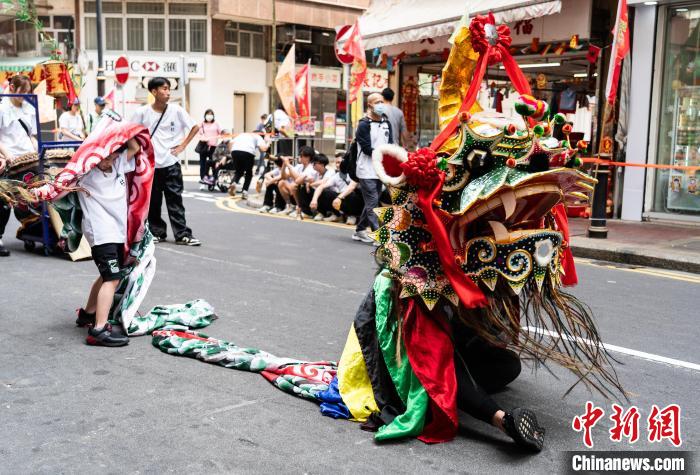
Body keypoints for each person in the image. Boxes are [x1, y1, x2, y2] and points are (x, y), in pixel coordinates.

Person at [74, 139, 141, 347]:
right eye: (105, 157)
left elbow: (135, 148)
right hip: (101, 233)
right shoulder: (85, 171)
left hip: (117, 232)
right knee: (112, 278)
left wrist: (120, 130)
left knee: (107, 276)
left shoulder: (118, 163)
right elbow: (66, 178)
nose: (109, 161)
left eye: (112, 156)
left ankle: (88, 314)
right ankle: (99, 329)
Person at [131, 77, 201, 245]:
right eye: (164, 89)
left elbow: (195, 126)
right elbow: (130, 133)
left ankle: (182, 234)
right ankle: (157, 232)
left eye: (169, 89)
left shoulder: (176, 110)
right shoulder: (142, 112)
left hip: (171, 163)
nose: (168, 92)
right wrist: (139, 151)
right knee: (153, 202)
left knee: (175, 200)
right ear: (154, 92)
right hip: (151, 164)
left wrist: (182, 146)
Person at [0, 75, 38, 257]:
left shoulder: (29, 109)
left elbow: (31, 135)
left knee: (37, 197)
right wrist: (7, 156)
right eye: (21, 91)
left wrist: (38, 151)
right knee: (5, 201)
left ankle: (32, 229)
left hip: (29, 159)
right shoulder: (2, 108)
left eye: (27, 92)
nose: (24, 95)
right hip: (8, 160)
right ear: (12, 88)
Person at [353, 92, 392, 243]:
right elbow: (367, 148)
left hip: (380, 170)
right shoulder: (363, 124)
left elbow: (391, 143)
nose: (380, 104)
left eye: (382, 101)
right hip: (366, 170)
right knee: (373, 200)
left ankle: (359, 230)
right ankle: (378, 234)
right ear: (369, 105)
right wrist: (383, 154)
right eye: (377, 102)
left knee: (371, 202)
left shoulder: (386, 123)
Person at [311, 154, 363, 224]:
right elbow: (321, 186)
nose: (337, 165)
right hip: (342, 199)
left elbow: (351, 187)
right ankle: (336, 215)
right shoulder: (337, 175)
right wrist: (314, 200)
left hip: (356, 202)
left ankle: (352, 215)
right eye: (336, 163)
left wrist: (339, 197)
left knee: (350, 194)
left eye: (339, 162)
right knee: (324, 192)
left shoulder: (354, 173)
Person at [227, 130, 271, 200]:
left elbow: (230, 143)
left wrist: (232, 153)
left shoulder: (242, 134)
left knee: (238, 171)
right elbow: (263, 149)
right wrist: (268, 142)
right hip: (248, 152)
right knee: (249, 173)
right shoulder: (258, 136)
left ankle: (234, 183)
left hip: (235, 151)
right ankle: (245, 191)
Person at [277, 146, 315, 218]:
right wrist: (284, 165)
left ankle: (301, 208)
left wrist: (288, 164)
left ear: (308, 157)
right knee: (282, 182)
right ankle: (290, 206)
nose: (299, 157)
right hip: (299, 191)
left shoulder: (311, 167)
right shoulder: (299, 166)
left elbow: (298, 179)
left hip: (309, 193)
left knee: (294, 185)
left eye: (301, 155)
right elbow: (284, 176)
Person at [297, 154, 332, 220]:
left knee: (322, 190)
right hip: (317, 195)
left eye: (315, 163)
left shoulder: (330, 171)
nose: (313, 165)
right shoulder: (315, 172)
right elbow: (300, 181)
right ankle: (307, 212)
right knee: (303, 187)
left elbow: (324, 182)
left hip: (328, 196)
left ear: (322, 164)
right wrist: (307, 182)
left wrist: (310, 184)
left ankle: (323, 213)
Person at [196, 109, 221, 190]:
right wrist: (203, 138)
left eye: (211, 114)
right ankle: (203, 181)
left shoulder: (216, 124)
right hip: (204, 146)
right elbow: (199, 134)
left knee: (214, 165)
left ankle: (215, 182)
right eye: (208, 114)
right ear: (205, 115)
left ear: (213, 116)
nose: (209, 116)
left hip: (213, 147)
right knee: (202, 165)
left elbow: (221, 133)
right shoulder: (202, 124)